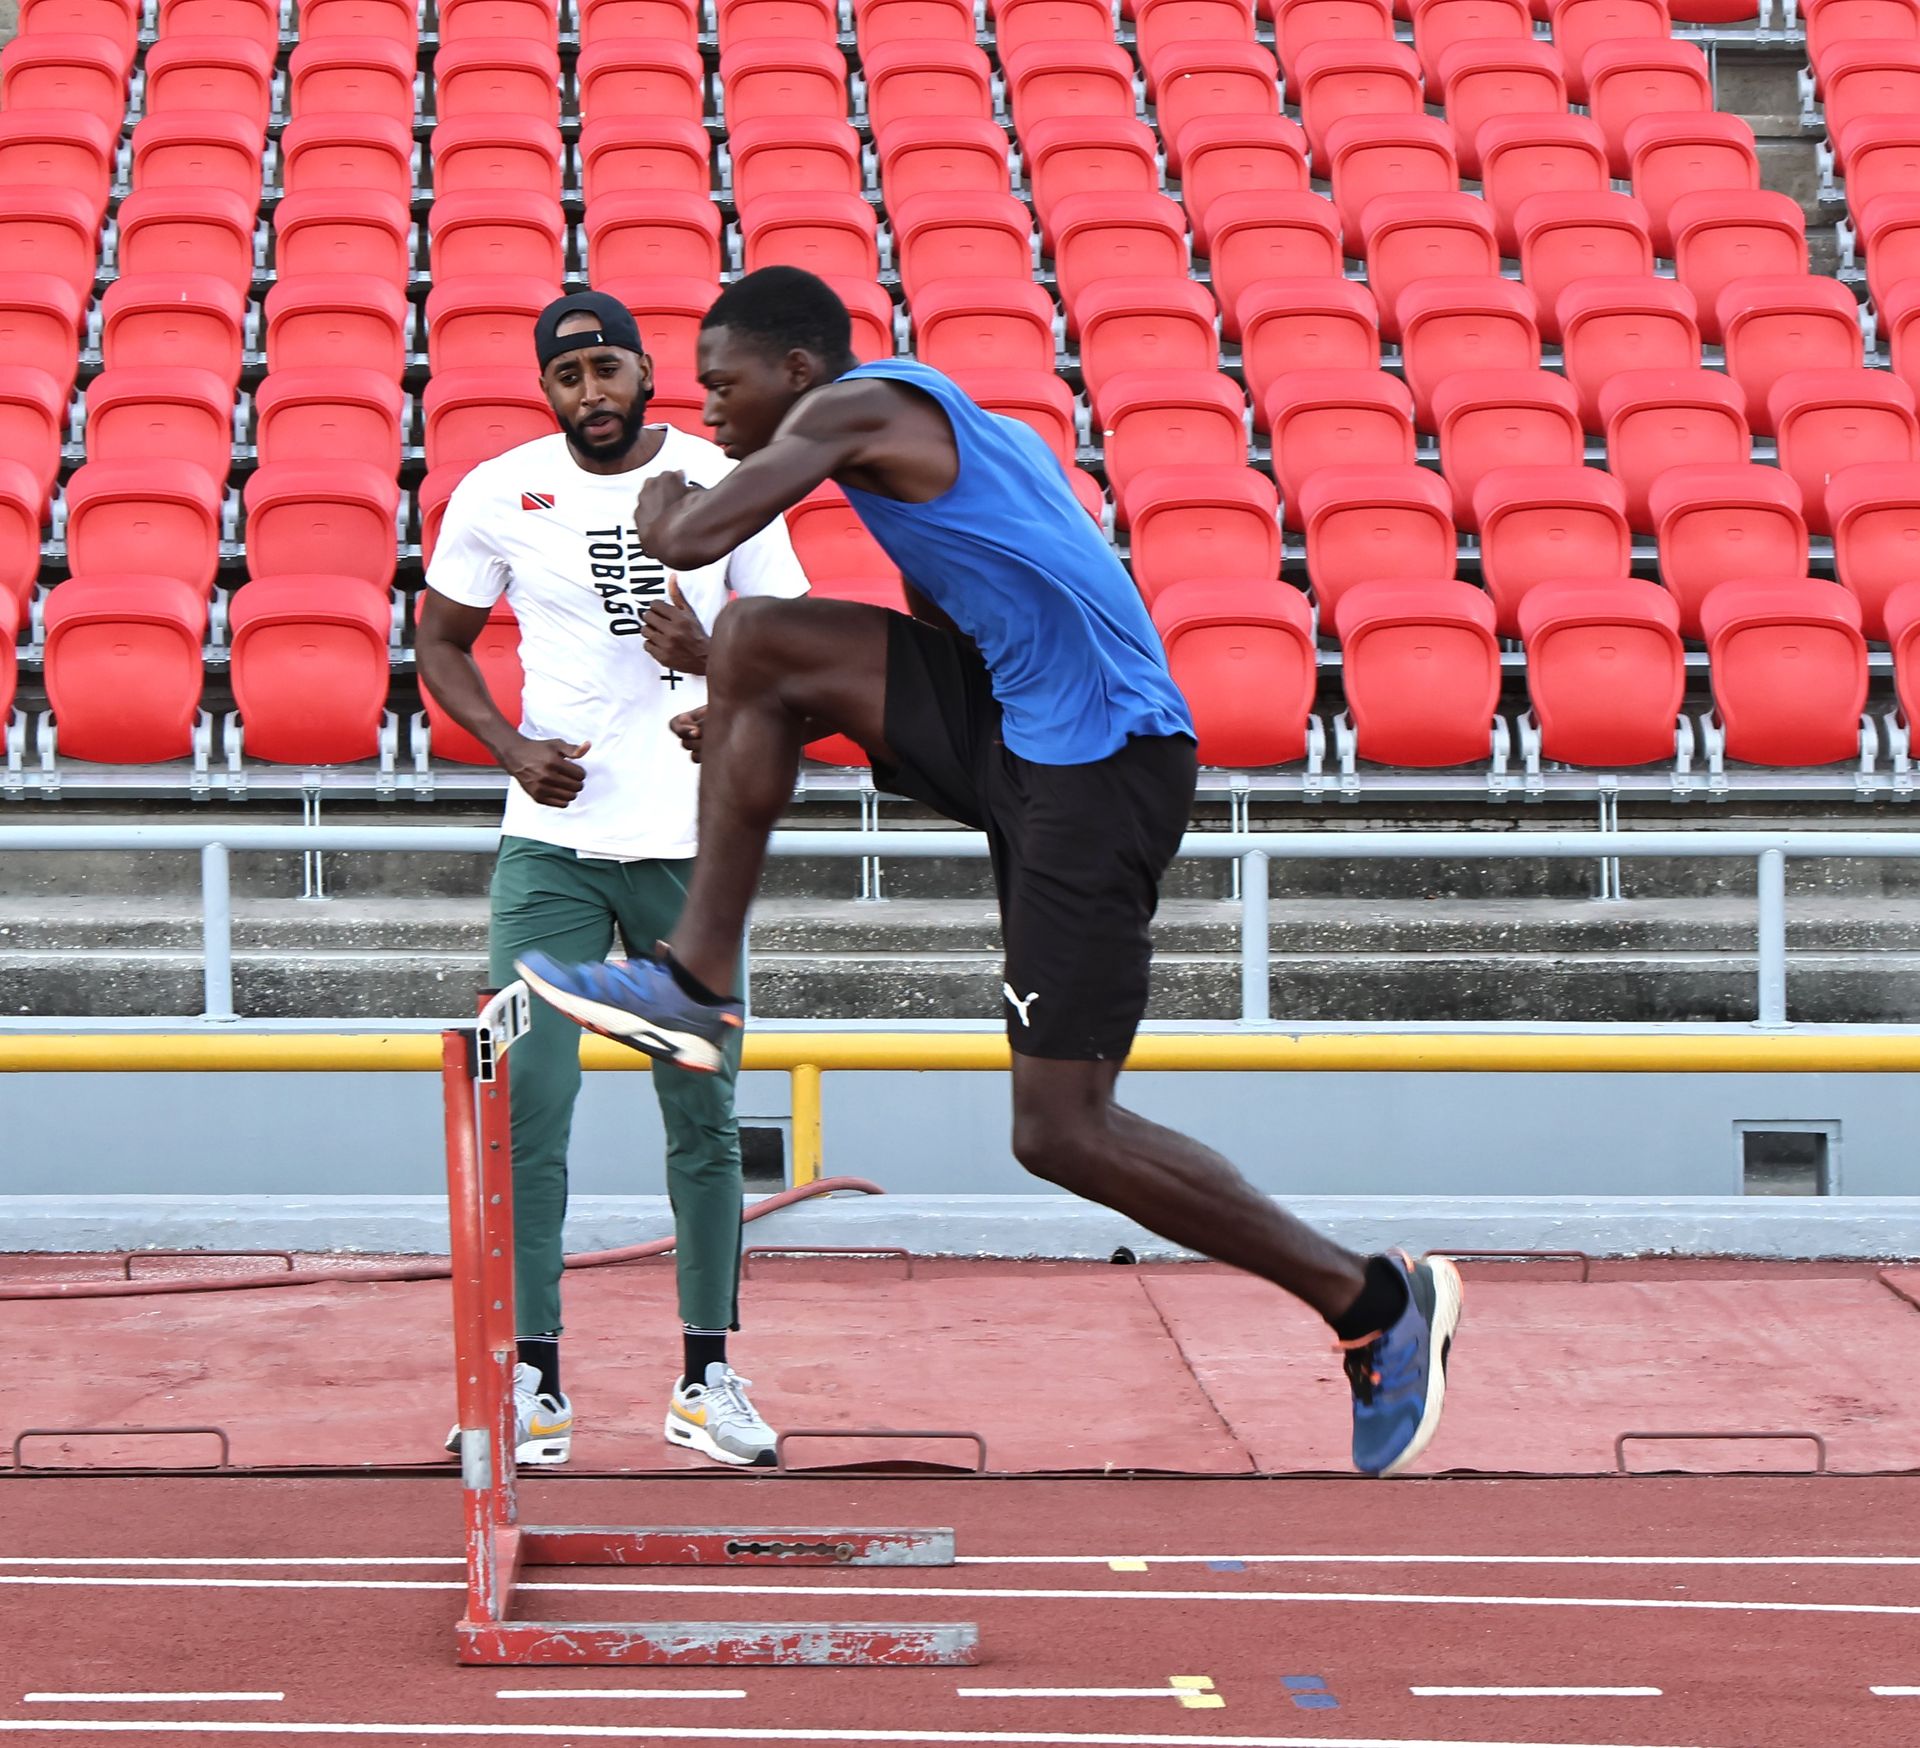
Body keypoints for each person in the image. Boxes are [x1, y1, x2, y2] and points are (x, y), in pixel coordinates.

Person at [515, 267, 1464, 1478]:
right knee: (757, 643)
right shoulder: (934, 460)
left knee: (1062, 1131)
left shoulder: (860, 406)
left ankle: (1371, 1300)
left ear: (797, 373)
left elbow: (698, 530)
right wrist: (756, 696)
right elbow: (944, 647)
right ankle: (696, 979)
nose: (708, 411)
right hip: (1028, 735)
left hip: (1102, 762)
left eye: (722, 384)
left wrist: (653, 505)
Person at [417, 290, 810, 1469]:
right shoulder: (499, 488)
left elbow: (791, 630)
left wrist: (726, 696)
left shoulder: (721, 476)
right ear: (547, 387)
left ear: (650, 372)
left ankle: (706, 1378)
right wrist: (508, 745)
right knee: (525, 1108)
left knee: (702, 1114)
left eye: (609, 369)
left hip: (694, 848)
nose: (591, 391)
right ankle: (529, 1381)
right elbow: (439, 638)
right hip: (554, 852)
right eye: (568, 374)